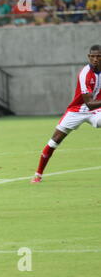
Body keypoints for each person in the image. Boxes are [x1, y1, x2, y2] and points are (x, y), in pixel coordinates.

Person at [31, 45, 101, 183]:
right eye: (92, 56)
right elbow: (89, 103)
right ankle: (38, 174)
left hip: (96, 111)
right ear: (88, 57)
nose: (95, 59)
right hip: (77, 110)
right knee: (55, 140)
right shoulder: (85, 74)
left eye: (98, 56)